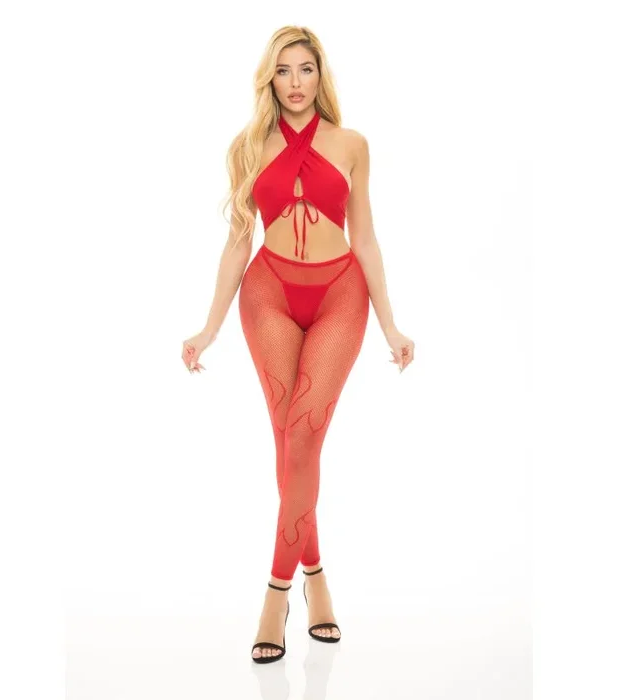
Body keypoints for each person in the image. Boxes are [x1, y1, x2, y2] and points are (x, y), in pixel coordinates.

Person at [182, 26, 415, 663]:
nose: (294, 82)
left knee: (304, 437)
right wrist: (208, 328)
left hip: (340, 293)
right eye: (282, 70)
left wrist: (391, 325)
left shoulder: (352, 144)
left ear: (320, 75)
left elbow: (365, 237)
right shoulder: (247, 148)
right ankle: (315, 577)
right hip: (269, 295)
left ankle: (277, 591)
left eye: (305, 69)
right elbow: (238, 242)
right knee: (290, 444)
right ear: (270, 78)